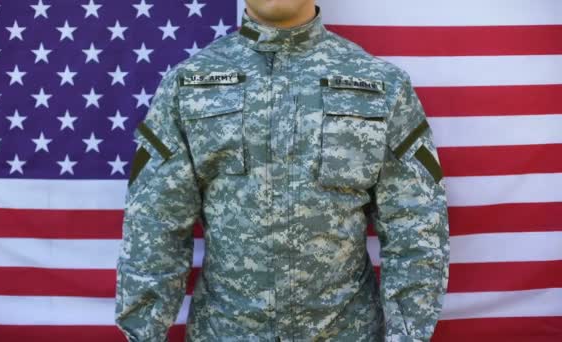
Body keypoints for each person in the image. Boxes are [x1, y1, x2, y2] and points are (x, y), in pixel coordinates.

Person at [114, 0, 450, 341]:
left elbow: (416, 224)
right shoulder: (188, 86)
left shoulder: (380, 86)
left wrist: (408, 335)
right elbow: (155, 224)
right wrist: (143, 333)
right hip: (225, 332)